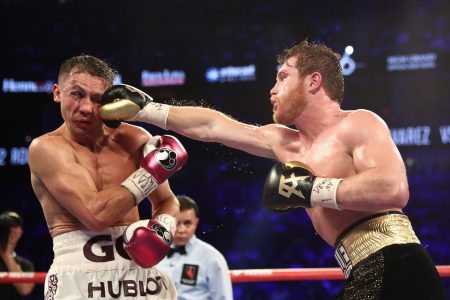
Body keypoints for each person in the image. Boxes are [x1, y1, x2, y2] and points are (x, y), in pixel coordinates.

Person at [99, 40, 446, 299]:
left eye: (282, 77)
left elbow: (393, 188)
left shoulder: (358, 123)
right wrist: (148, 110)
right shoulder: (285, 143)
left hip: (398, 266)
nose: (272, 89)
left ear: (313, 81)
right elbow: (213, 127)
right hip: (365, 270)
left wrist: (312, 189)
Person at [28, 54, 189, 299]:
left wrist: (162, 229)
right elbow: (96, 215)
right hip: (80, 275)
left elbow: (167, 201)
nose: (86, 108)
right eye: (77, 94)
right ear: (57, 92)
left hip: (139, 275)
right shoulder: (46, 148)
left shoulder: (135, 139)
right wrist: (151, 173)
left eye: (97, 99)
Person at [157, 195, 233, 300]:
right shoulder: (152, 254)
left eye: (187, 223)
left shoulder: (212, 257)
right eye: (176, 223)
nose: (181, 229)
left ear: (196, 223)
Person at [0, 211, 35, 299]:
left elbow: (25, 290)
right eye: (6, 227)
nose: (10, 229)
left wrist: (6, 254)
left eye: (14, 226)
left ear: (20, 232)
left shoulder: (25, 264)